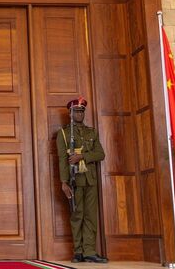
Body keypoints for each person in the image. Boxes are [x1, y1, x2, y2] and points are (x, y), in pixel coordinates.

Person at [56, 97, 108, 264]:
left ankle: (90, 251)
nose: (79, 114)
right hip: (74, 180)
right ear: (70, 113)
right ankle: (78, 252)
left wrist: (82, 156)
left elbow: (100, 154)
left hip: (90, 179)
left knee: (91, 216)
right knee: (77, 215)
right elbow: (62, 159)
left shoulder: (91, 132)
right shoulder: (63, 134)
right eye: (76, 111)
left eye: (81, 111)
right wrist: (64, 182)